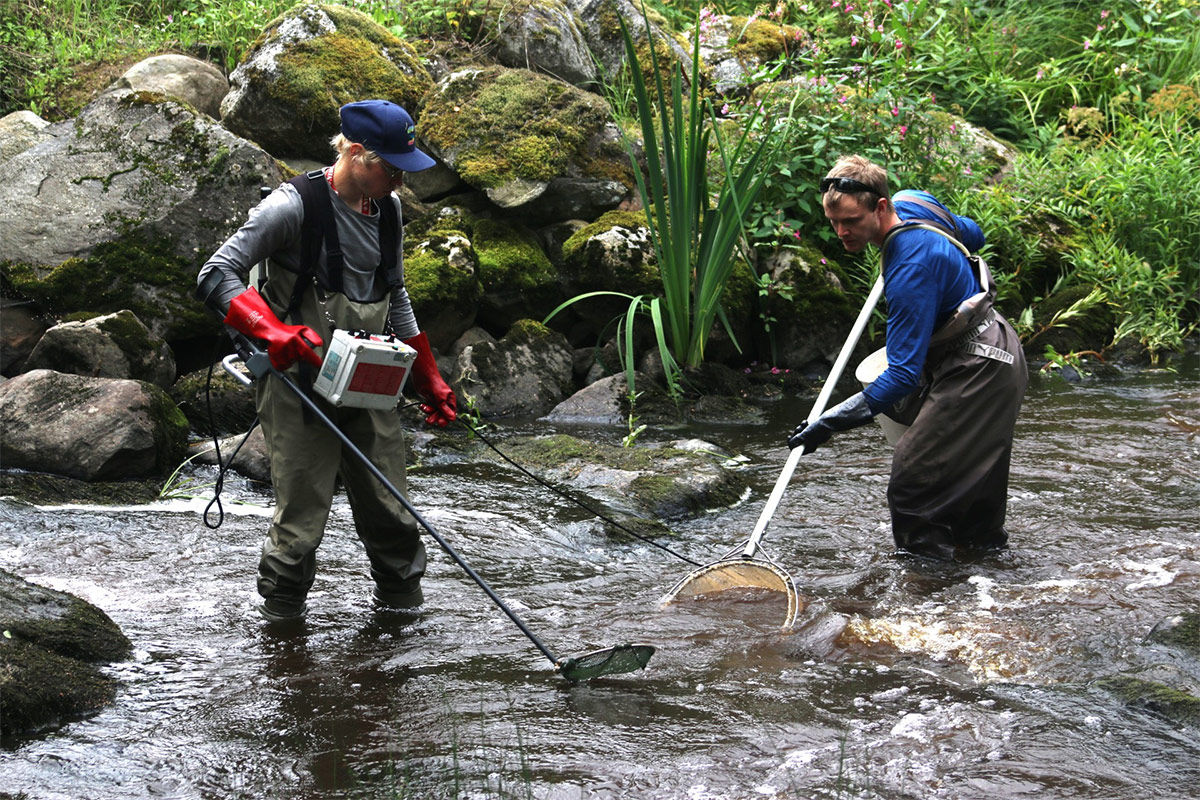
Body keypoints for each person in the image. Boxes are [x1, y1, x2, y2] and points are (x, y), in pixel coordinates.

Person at [196, 99, 457, 622]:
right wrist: (269, 330)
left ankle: (403, 618)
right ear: (357, 154)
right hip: (296, 381)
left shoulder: (390, 211)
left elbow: (396, 294)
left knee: (393, 512)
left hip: (372, 374)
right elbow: (215, 273)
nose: (401, 183)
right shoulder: (292, 207)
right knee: (302, 523)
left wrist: (427, 376)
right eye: (392, 169)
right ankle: (282, 631)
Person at [788, 155, 1027, 561]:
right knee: (972, 484)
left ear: (880, 207)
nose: (842, 232)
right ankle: (986, 573)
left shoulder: (911, 269)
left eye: (852, 221)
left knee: (915, 484)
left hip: (980, 366)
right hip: (993, 349)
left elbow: (900, 375)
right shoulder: (913, 203)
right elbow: (974, 234)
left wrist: (828, 423)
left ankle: (926, 591)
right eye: (834, 222)